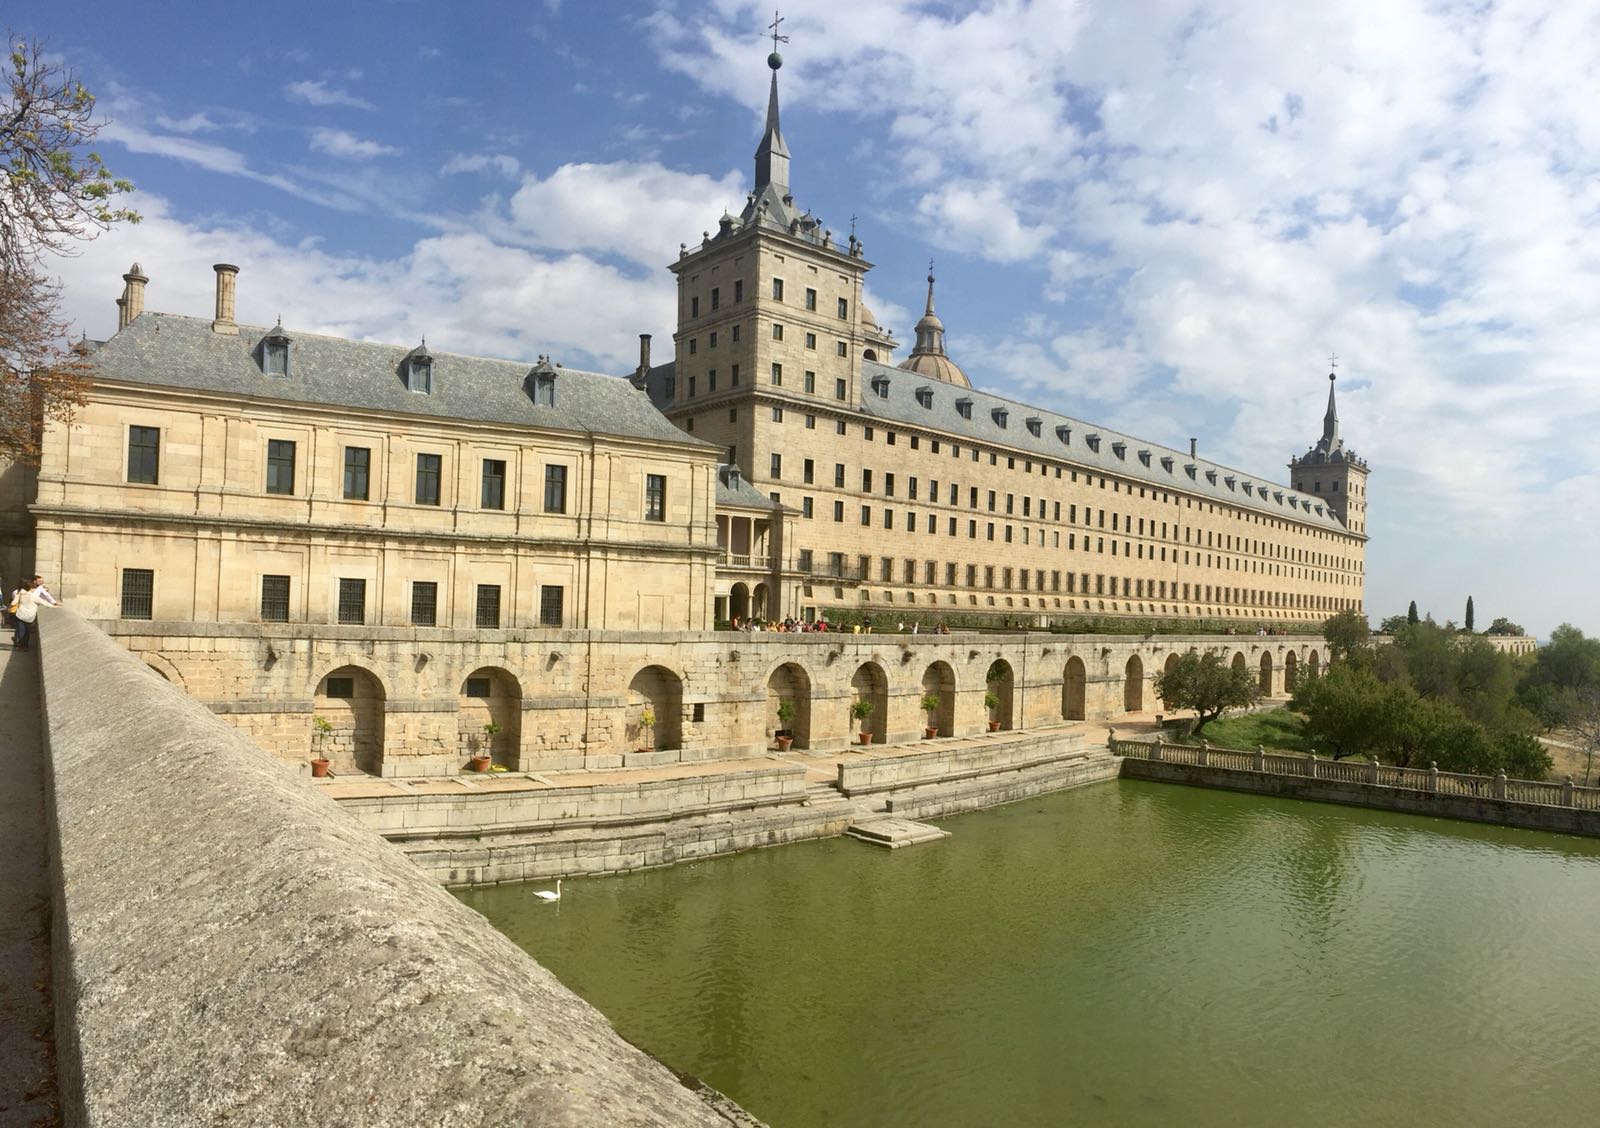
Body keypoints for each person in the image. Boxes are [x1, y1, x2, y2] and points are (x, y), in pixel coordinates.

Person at [11, 578, 46, 651]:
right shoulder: (32, 594)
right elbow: (41, 601)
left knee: (20, 630)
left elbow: (13, 602)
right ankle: (24, 645)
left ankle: (20, 644)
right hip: (29, 615)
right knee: (27, 631)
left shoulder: (16, 592)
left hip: (20, 613)